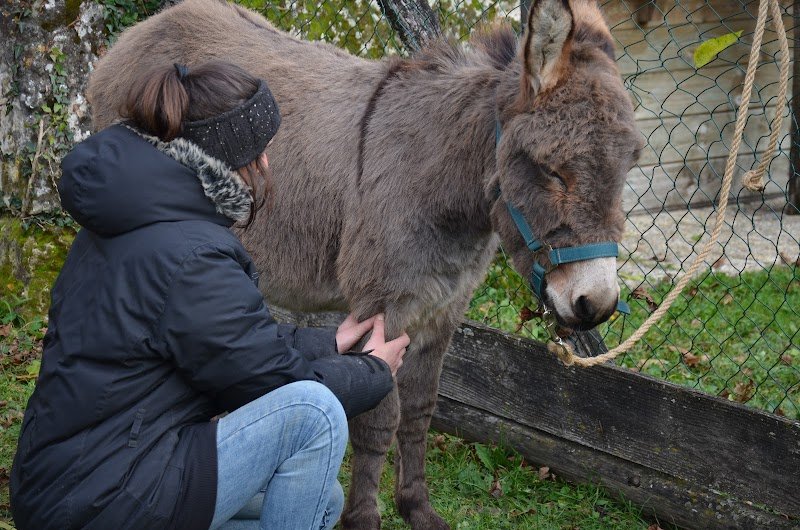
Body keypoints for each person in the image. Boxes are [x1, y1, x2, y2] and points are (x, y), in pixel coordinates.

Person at [9, 61, 409, 530]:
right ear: (234, 158)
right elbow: (274, 386)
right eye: (260, 151)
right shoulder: (189, 254)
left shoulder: (133, 217)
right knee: (314, 416)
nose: (266, 164)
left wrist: (329, 344)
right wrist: (373, 371)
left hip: (72, 480)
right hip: (104, 503)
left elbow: (229, 340)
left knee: (321, 499)